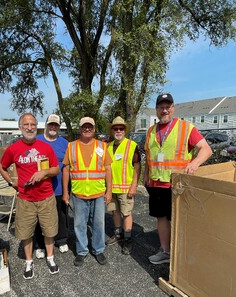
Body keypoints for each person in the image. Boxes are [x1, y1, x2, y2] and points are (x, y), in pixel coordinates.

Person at [143, 93, 212, 264]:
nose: (164, 110)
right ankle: (165, 251)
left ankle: (182, 255)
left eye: (168, 107)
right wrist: (146, 176)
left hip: (177, 184)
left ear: (173, 108)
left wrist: (195, 163)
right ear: (157, 110)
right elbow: (149, 156)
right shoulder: (151, 131)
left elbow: (206, 149)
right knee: (161, 218)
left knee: (180, 220)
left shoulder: (186, 128)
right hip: (156, 184)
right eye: (161, 107)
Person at [0, 113, 60, 279]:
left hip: (46, 197)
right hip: (25, 199)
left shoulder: (46, 147)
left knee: (49, 230)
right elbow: (2, 167)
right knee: (26, 233)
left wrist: (44, 172)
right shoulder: (13, 149)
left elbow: (56, 169)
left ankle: (50, 257)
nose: (30, 127)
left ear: (37, 126)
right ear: (20, 127)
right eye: (26, 124)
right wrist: (12, 183)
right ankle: (28, 261)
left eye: (33, 124)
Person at [62, 117, 112, 266]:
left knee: (98, 223)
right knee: (79, 224)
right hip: (79, 193)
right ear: (80, 128)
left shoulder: (102, 146)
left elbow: (108, 169)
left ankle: (98, 250)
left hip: (98, 193)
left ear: (94, 129)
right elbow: (66, 169)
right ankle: (82, 251)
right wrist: (66, 192)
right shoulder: (71, 146)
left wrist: (109, 191)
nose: (87, 129)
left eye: (90, 126)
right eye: (84, 126)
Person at [34, 114, 69, 258]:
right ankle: (40, 244)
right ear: (46, 125)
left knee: (61, 214)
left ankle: (61, 240)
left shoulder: (65, 143)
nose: (53, 127)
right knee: (39, 217)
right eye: (51, 124)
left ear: (59, 127)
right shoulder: (36, 140)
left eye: (56, 125)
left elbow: (68, 165)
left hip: (59, 186)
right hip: (40, 188)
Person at [105, 116, 141, 255]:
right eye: (116, 128)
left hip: (126, 188)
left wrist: (134, 186)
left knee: (126, 213)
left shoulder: (131, 145)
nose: (118, 130)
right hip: (111, 187)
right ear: (112, 130)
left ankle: (127, 239)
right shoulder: (108, 146)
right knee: (115, 211)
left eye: (121, 128)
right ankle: (117, 233)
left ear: (124, 130)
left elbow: (137, 167)